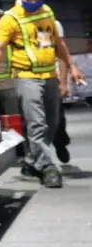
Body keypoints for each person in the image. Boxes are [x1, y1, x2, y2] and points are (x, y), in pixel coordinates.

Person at [0, 0, 84, 188]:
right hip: (26, 77)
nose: (33, 2)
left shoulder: (47, 12)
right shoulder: (10, 19)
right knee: (36, 124)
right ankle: (48, 167)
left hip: (49, 75)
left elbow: (56, 43)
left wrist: (72, 66)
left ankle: (31, 162)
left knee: (53, 123)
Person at [53, 19, 71, 163]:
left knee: (57, 117)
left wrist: (64, 82)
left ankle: (60, 142)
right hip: (26, 79)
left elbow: (62, 55)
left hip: (52, 78)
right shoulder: (13, 21)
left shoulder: (53, 24)